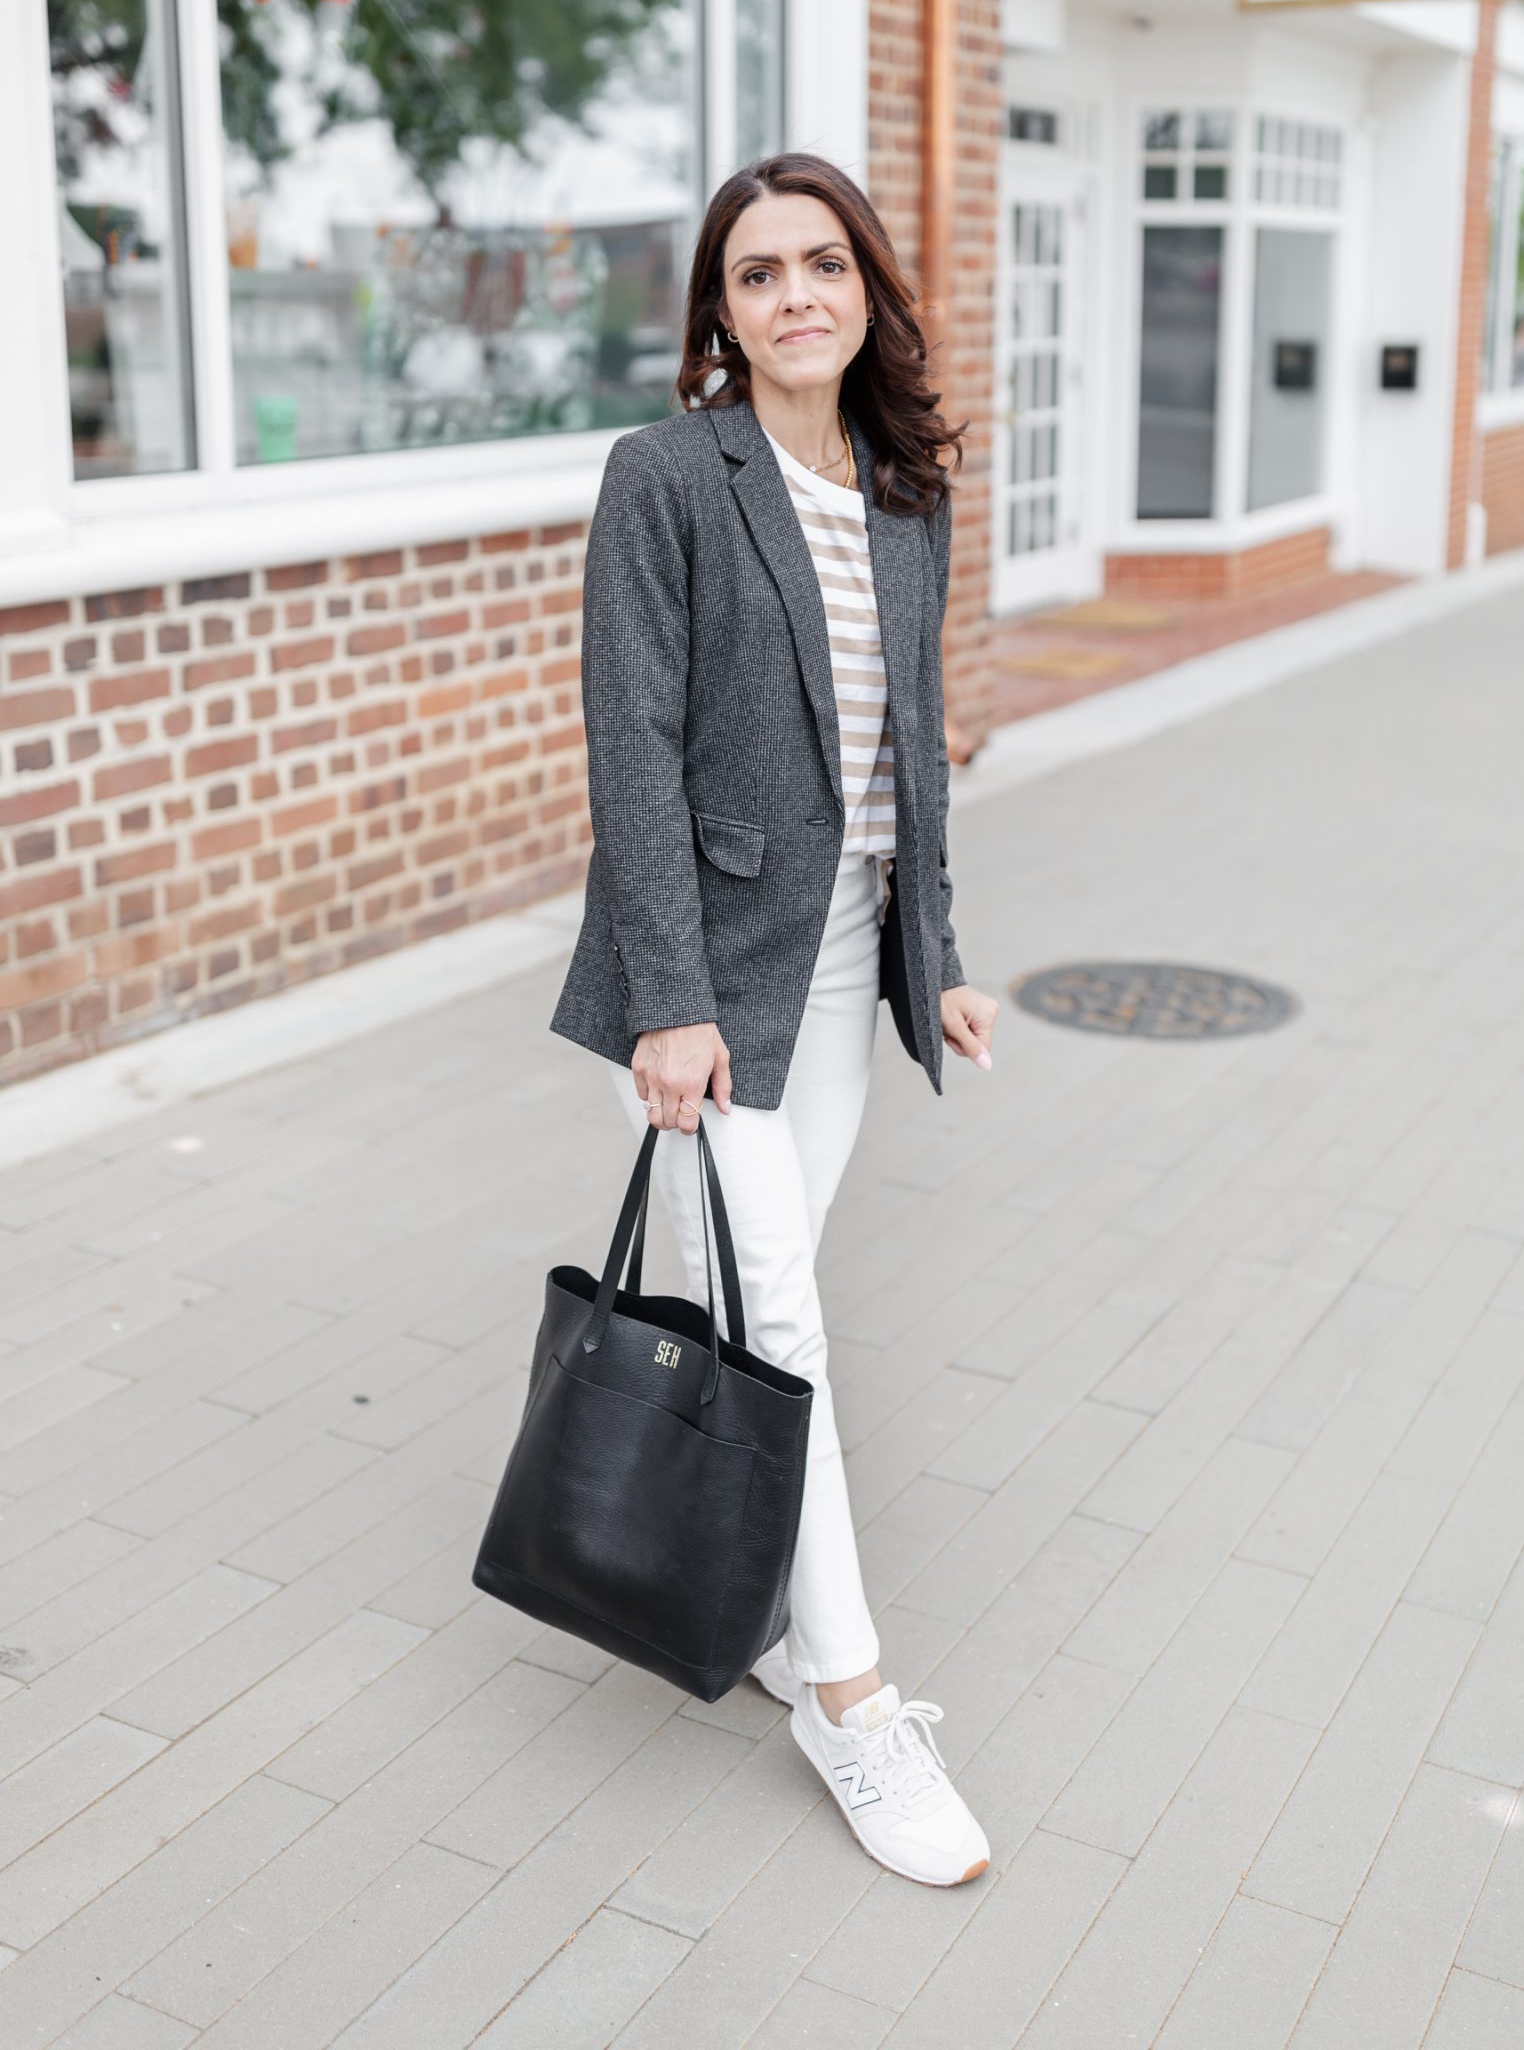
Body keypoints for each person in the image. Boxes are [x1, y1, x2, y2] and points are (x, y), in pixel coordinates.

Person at [549, 152, 1000, 1887]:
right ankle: (851, 1700)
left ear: (867, 290)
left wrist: (935, 952)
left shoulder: (902, 490)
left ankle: (720, 1590)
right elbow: (631, 749)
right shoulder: (666, 477)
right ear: (720, 316)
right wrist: (669, 1001)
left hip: (843, 962)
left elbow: (912, 740)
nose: (796, 293)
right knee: (788, 1326)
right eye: (758, 273)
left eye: (824, 263)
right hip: (716, 992)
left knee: (744, 1300)